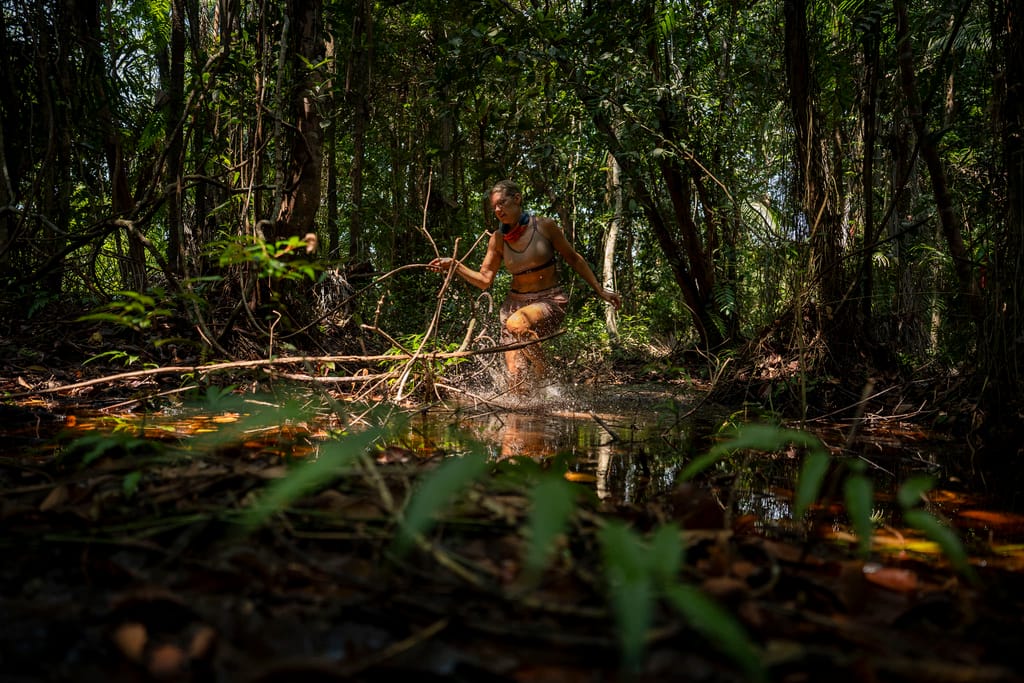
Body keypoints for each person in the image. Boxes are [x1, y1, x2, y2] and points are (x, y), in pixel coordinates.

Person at [429, 180, 622, 395]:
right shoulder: (498, 239)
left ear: (517, 199)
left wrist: (600, 290)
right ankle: (525, 421)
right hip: (514, 304)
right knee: (516, 381)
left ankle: (545, 372)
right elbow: (484, 280)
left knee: (518, 323)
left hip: (548, 301)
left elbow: (574, 259)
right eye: (494, 207)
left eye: (502, 203)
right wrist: (455, 265)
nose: (498, 210)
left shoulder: (545, 226)